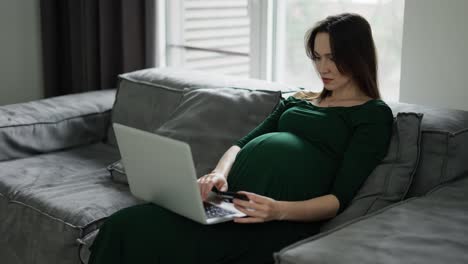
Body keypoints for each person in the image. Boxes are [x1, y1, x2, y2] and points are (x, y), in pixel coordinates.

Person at [89, 13, 393, 264]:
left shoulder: (371, 115)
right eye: (317, 57)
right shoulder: (299, 99)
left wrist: (278, 209)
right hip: (230, 205)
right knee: (123, 225)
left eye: (333, 57)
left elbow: (337, 200)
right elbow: (240, 145)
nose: (322, 67)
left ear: (358, 55)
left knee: (147, 240)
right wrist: (217, 175)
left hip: (275, 221)